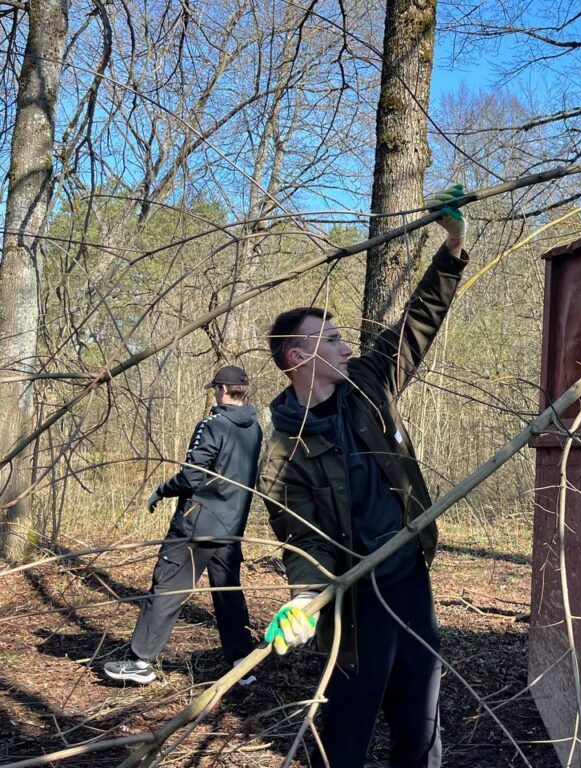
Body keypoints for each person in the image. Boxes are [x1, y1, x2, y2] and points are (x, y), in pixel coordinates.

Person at [259, 186, 468, 767]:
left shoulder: (369, 384)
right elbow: (300, 537)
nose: (345, 346)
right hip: (355, 597)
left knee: (420, 712)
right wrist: (305, 600)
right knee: (349, 721)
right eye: (330, 340)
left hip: (409, 575)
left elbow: (417, 321)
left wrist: (453, 246)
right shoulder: (282, 449)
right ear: (298, 358)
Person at [104, 365, 263, 685]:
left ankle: (141, 661)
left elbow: (191, 477)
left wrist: (162, 490)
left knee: (168, 587)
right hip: (230, 528)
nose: (214, 394)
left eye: (214, 389)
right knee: (228, 593)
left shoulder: (212, 426)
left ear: (221, 389)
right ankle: (242, 663)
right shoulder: (255, 429)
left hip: (196, 527)